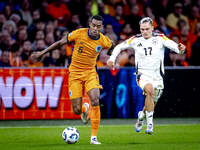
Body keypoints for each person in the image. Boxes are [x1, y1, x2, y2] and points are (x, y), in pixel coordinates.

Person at [31, 15, 115, 144]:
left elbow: (112, 44)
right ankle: (84, 109)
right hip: (74, 74)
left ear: (101, 28)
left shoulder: (103, 40)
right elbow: (60, 43)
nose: (95, 28)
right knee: (76, 110)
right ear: (90, 24)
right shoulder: (78, 33)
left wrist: (111, 57)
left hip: (90, 72)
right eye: (93, 25)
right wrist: (42, 53)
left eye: (98, 26)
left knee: (95, 99)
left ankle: (94, 138)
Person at [106, 17, 185, 135]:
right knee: (150, 91)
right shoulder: (135, 39)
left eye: (147, 29)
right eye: (142, 29)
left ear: (152, 28)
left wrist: (180, 49)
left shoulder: (160, 38)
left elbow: (175, 47)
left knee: (152, 101)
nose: (145, 32)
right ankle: (150, 125)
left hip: (157, 76)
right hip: (142, 75)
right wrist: (112, 59)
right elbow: (119, 46)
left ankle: (141, 115)